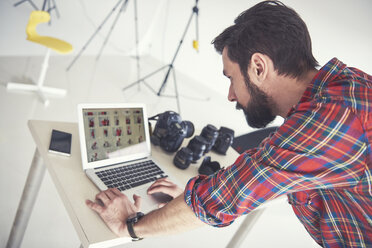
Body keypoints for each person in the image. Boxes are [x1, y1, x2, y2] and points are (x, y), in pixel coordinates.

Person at [86, 1, 372, 247]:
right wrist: (187, 198)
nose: (231, 95)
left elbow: (223, 198)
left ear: (259, 67)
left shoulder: (325, 124)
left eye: (230, 78)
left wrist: (130, 227)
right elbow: (250, 180)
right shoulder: (347, 84)